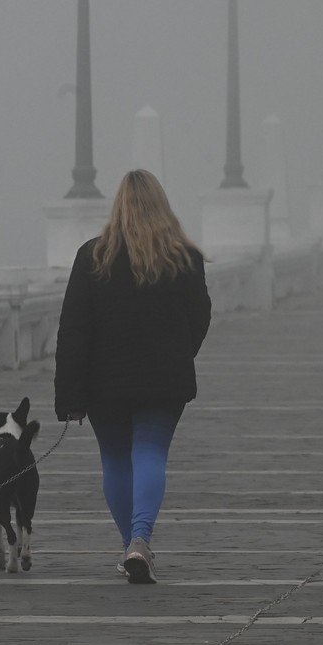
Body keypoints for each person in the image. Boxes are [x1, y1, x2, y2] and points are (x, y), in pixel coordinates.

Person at [53, 170, 211, 585]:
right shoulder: (184, 258)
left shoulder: (93, 256)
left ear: (118, 205)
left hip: (104, 383)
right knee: (150, 452)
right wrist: (180, 354)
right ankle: (140, 539)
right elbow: (199, 318)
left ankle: (132, 546)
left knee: (116, 459)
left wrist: (69, 393)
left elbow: (73, 329)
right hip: (163, 379)